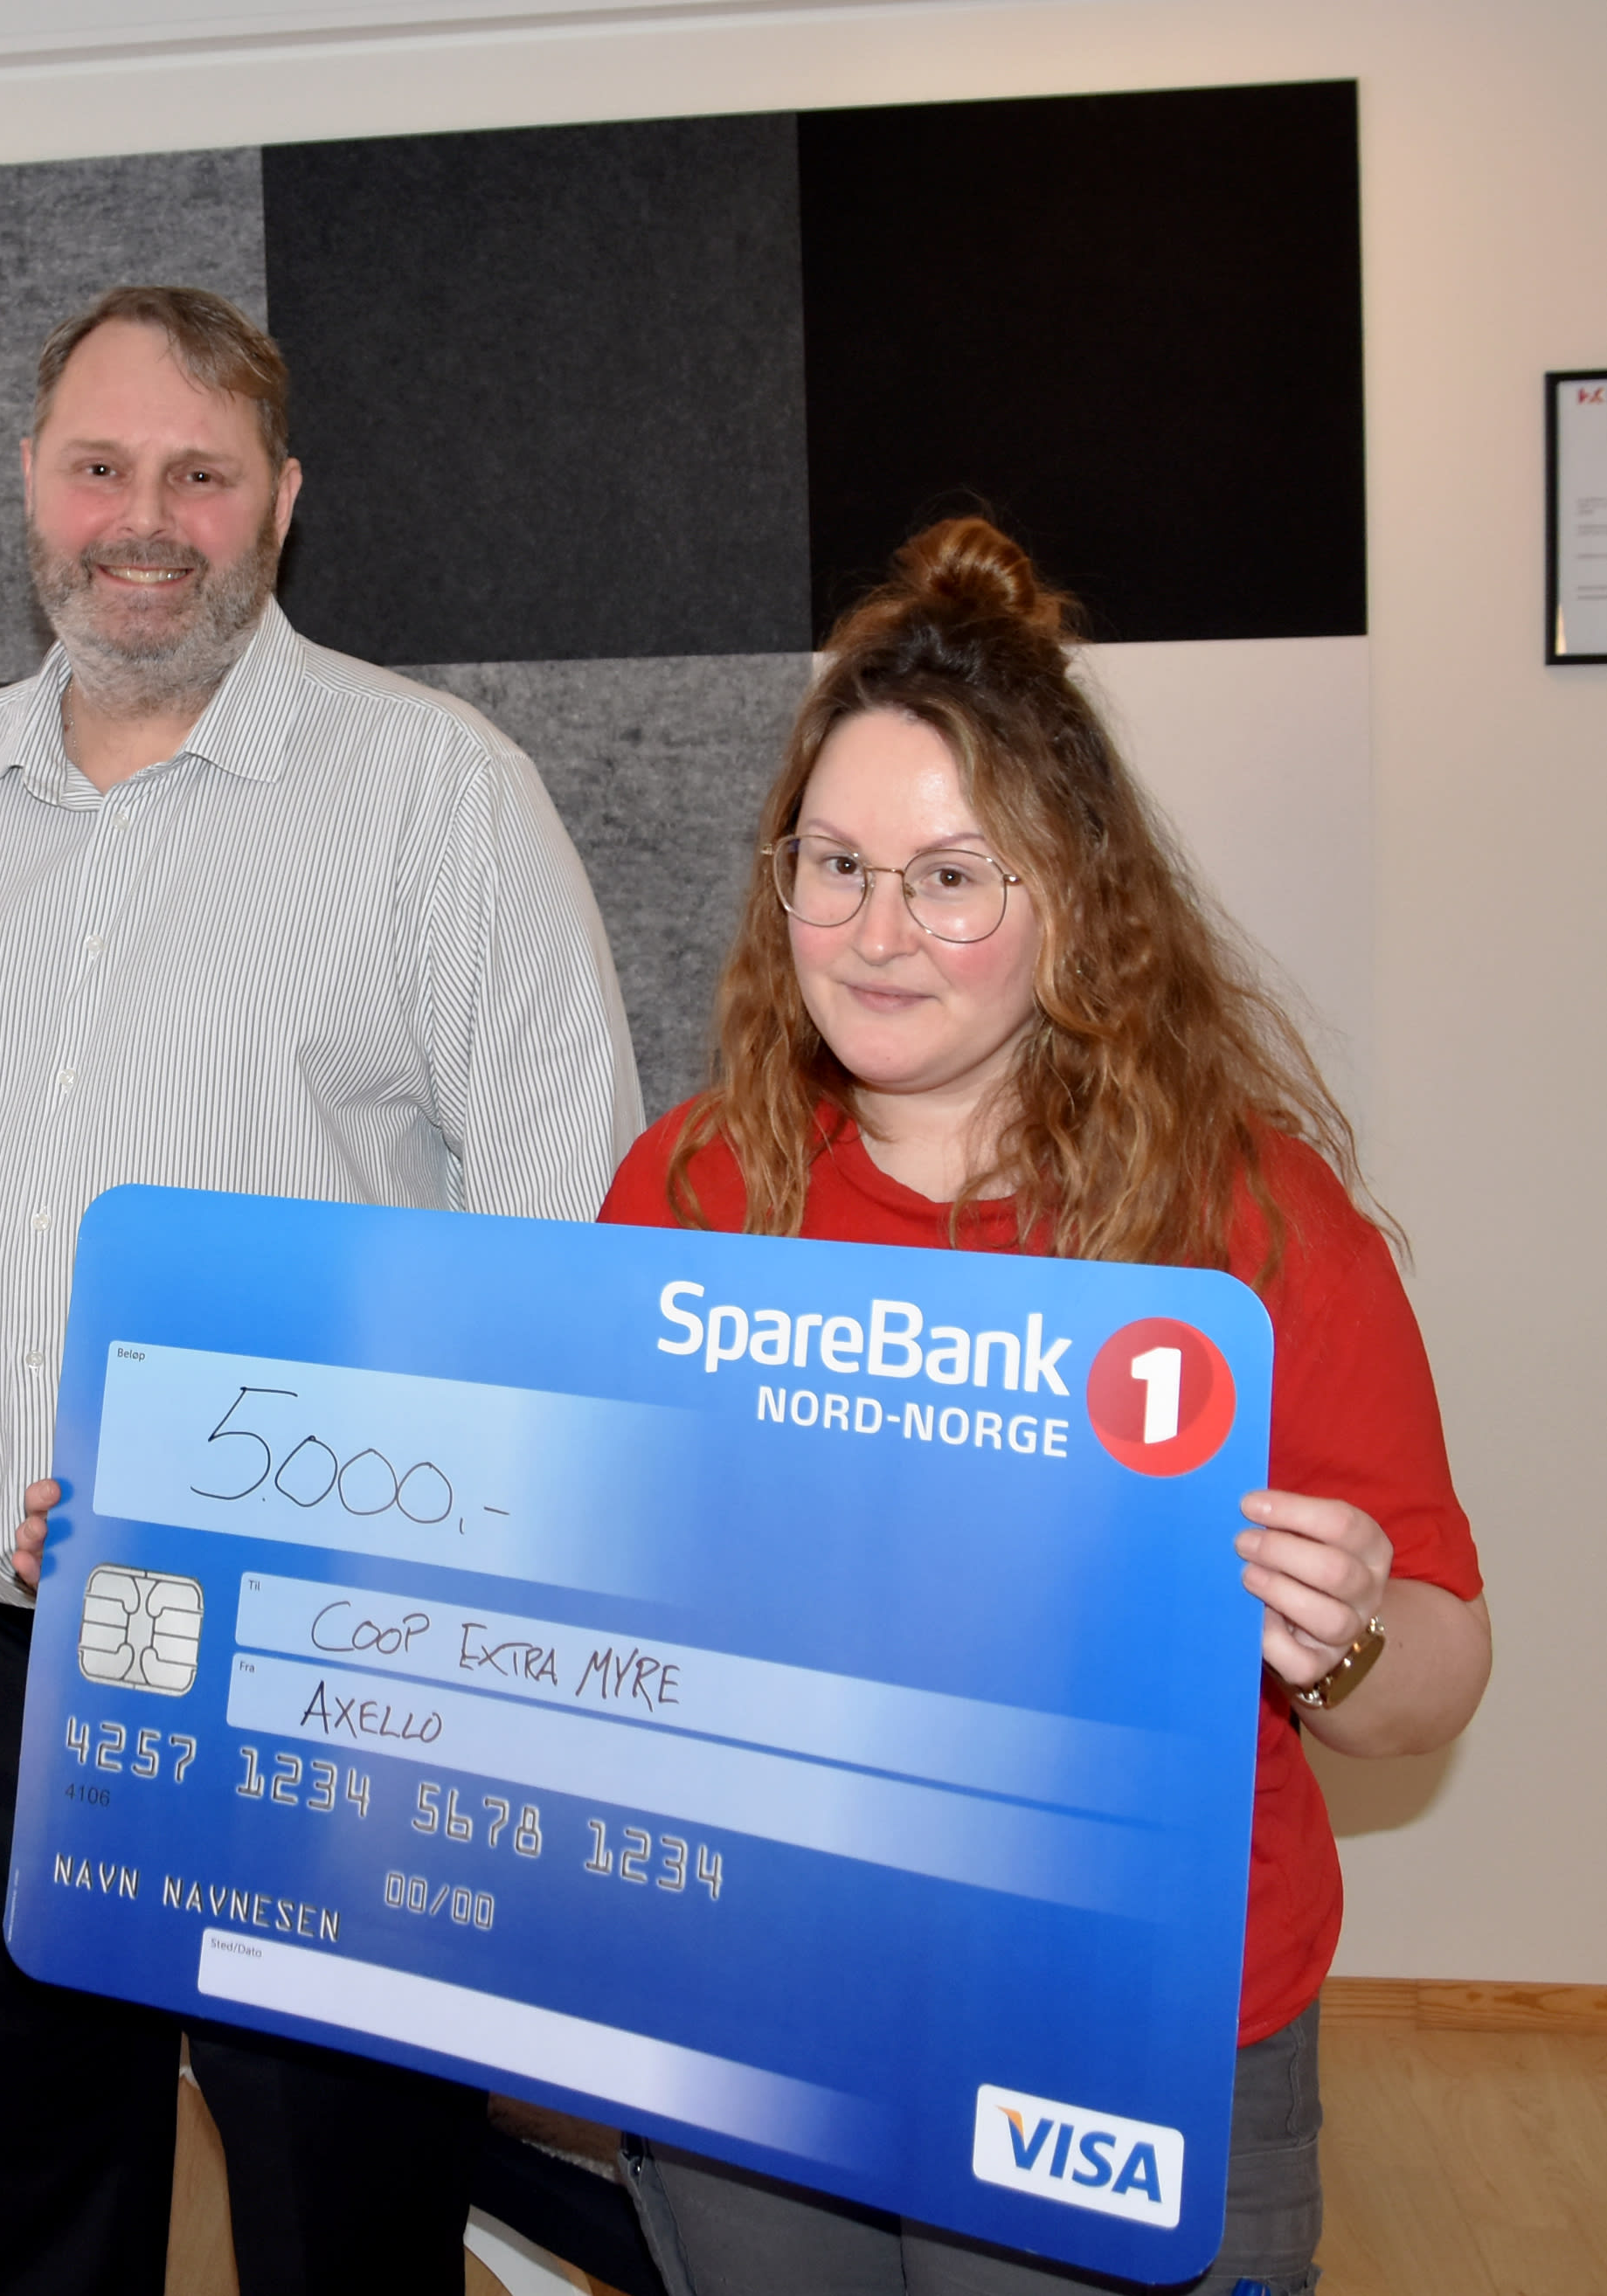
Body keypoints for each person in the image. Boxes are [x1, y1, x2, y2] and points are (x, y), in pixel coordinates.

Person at [0, 285, 643, 2295]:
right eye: (100, 467)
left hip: (318, 1668)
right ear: (30, 488)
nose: (145, 520)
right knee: (34, 2190)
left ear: (278, 503)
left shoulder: (435, 790)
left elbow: (561, 1238)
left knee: (339, 2213)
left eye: (199, 476)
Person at [599, 517, 1490, 2296]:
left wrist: (1344, 1637)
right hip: (759, 1996)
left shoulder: (1247, 1224)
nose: (875, 933)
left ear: (1071, 898)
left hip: (1128, 2031)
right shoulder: (689, 1191)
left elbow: (1435, 1680)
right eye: (834, 866)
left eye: (950, 877)